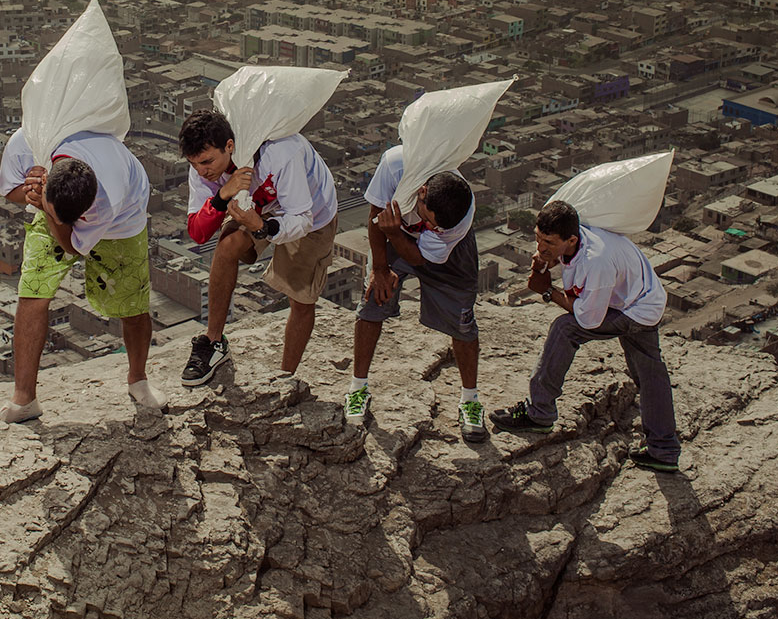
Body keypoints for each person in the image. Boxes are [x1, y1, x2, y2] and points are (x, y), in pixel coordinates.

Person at [490, 199, 682, 472]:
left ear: (570, 239)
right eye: (538, 238)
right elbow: (567, 268)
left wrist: (547, 291)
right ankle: (664, 449)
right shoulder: (578, 238)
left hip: (634, 309)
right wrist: (546, 261)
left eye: (549, 243)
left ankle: (539, 412)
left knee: (564, 328)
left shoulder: (597, 262)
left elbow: (588, 319)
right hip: (642, 296)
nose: (541, 247)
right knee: (650, 373)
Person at [0, 124, 160, 422]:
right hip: (52, 204)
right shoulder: (30, 140)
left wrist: (49, 211)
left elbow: (73, 246)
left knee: (132, 302)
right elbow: (10, 190)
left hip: (122, 223)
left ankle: (138, 379)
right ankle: (24, 398)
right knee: (33, 290)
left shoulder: (107, 199)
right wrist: (33, 195)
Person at [178, 109, 340, 387]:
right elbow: (198, 232)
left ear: (229, 146)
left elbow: (302, 218)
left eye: (206, 162)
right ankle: (214, 343)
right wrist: (220, 197)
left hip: (310, 211)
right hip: (258, 203)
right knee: (227, 245)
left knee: (300, 298)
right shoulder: (204, 168)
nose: (202, 171)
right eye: (194, 164)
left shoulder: (279, 154)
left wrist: (262, 228)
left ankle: (284, 377)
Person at [346, 146, 483, 441]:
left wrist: (396, 233)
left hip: (444, 254)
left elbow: (422, 257)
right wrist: (380, 269)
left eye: (437, 226)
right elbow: (374, 216)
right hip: (397, 233)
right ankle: (357, 389)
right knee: (373, 302)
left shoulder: (458, 218)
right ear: (421, 192)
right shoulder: (396, 165)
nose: (432, 226)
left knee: (462, 322)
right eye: (430, 219)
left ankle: (470, 400)